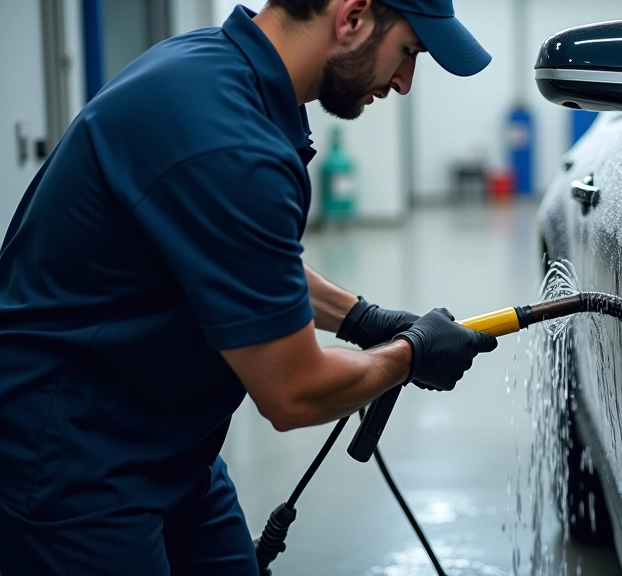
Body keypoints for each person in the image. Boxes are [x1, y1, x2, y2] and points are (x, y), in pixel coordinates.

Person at [0, 0, 495, 573]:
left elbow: (240, 256)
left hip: (168, 438)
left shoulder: (213, 69)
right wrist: (410, 356)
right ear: (352, 17)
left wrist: (363, 319)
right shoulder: (229, 141)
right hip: (72, 457)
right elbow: (293, 391)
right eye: (409, 51)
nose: (406, 82)